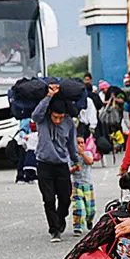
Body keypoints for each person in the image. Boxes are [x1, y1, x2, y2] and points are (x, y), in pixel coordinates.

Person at [32, 84, 79, 243]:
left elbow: (72, 144)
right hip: (44, 164)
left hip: (61, 165)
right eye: (55, 117)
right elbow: (36, 113)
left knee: (65, 198)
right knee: (49, 198)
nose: (58, 121)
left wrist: (76, 160)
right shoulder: (42, 120)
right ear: (50, 113)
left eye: (61, 117)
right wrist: (49, 96)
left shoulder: (69, 123)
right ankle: (54, 229)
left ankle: (60, 219)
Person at [71, 131, 97, 235]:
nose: (81, 145)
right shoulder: (71, 155)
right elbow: (67, 169)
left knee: (90, 209)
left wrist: (82, 153)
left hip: (88, 184)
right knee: (78, 207)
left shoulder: (87, 153)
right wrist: (74, 168)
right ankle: (77, 226)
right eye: (78, 143)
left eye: (82, 143)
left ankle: (89, 219)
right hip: (76, 184)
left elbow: (90, 161)